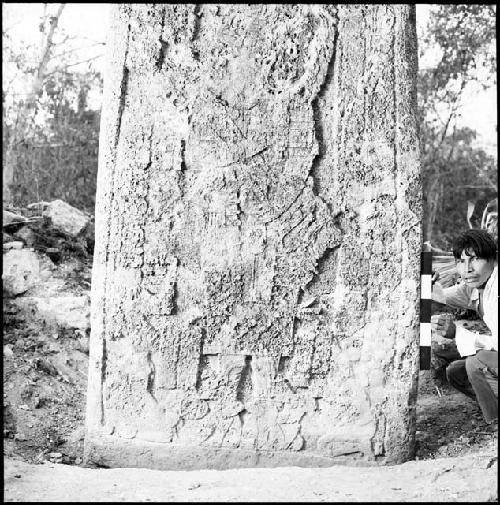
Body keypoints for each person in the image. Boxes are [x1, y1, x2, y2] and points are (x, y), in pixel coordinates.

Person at [431, 229, 498, 425]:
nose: (467, 269)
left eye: (474, 259)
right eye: (461, 261)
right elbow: (442, 296)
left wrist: (456, 332)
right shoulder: (474, 286)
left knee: (477, 363)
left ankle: (494, 423)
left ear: (493, 259)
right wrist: (429, 284)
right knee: (456, 372)